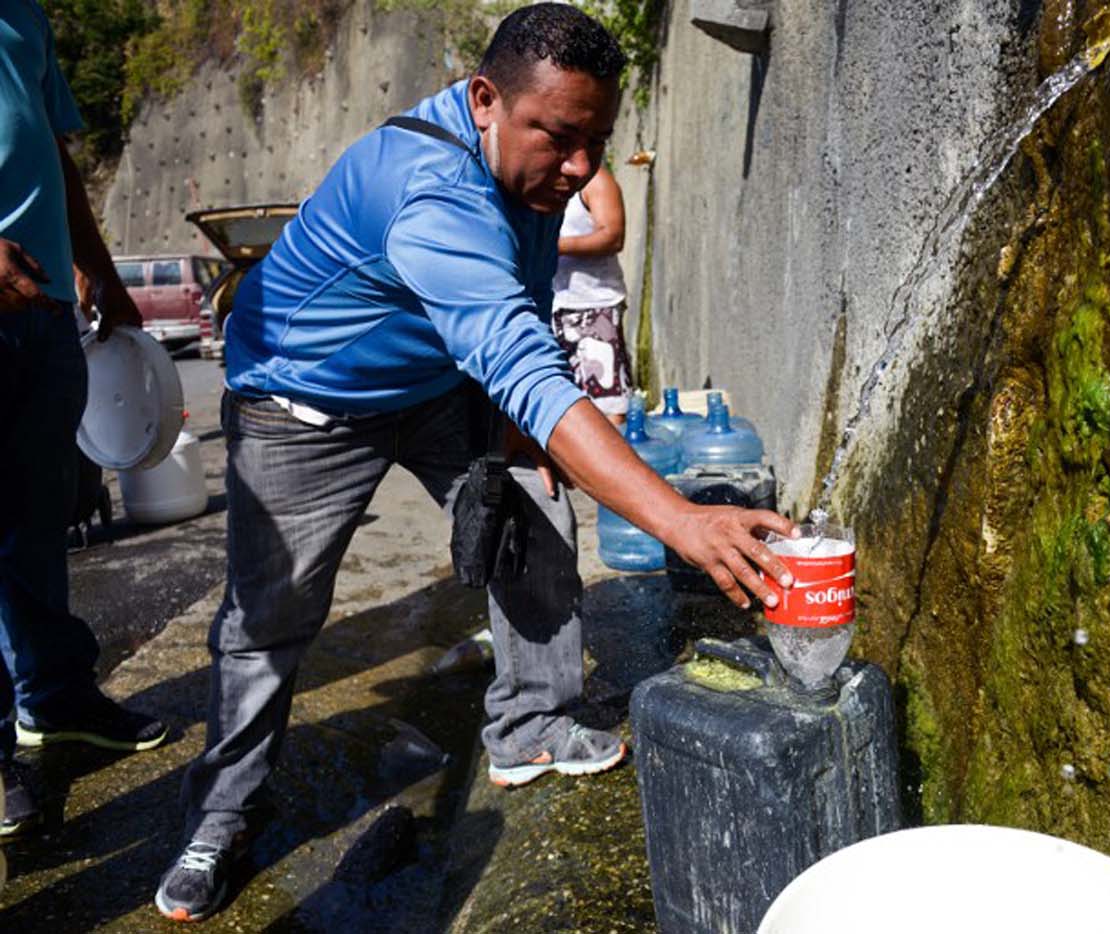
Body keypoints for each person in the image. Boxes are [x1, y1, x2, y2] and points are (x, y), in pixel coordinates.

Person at [154, 4, 795, 922]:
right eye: (560, 138)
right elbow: (519, 357)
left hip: (432, 384)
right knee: (271, 617)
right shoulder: (432, 187)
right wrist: (681, 519)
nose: (578, 170)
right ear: (486, 99)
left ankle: (530, 727)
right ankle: (217, 818)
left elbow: (523, 318)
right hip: (306, 400)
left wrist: (523, 433)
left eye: (597, 143)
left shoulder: (529, 170)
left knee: (530, 508)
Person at [0, 0, 168, 838]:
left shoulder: (24, 15)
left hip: (45, 306)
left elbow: (52, 153)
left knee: (40, 518)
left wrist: (100, 268)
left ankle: (56, 698)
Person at [552, 164, 632, 424]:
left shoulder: (594, 180)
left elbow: (612, 236)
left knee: (608, 406)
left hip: (594, 307)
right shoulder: (540, 181)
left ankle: (614, 462)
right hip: (553, 309)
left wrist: (553, 246)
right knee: (567, 407)